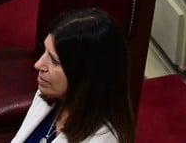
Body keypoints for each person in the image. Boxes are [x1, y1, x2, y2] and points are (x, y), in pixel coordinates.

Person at [12, 8, 136, 143]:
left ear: (84, 75)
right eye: (45, 51)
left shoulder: (101, 140)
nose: (38, 64)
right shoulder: (51, 91)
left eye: (54, 60)